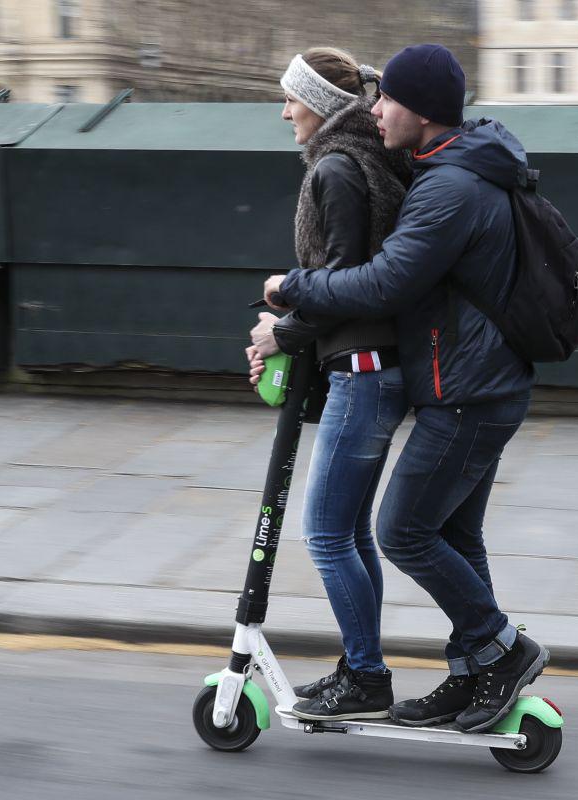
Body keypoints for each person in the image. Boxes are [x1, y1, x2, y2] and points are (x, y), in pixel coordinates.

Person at [263, 44, 549, 734]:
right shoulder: (444, 167)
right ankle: (472, 671)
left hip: (468, 388)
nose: (376, 107)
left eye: (386, 98)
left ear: (416, 109)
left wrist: (286, 301)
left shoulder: (444, 185)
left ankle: (497, 651)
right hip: (476, 379)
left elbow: (379, 282)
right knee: (452, 532)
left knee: (393, 531)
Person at [244, 47, 413, 722]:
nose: (285, 111)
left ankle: (365, 677)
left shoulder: (338, 169)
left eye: (292, 98)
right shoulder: (364, 158)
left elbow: (345, 284)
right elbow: (343, 277)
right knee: (351, 534)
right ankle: (360, 668)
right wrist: (288, 312)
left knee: (324, 535)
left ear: (319, 103)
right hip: (374, 368)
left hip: (364, 373)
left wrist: (281, 333)